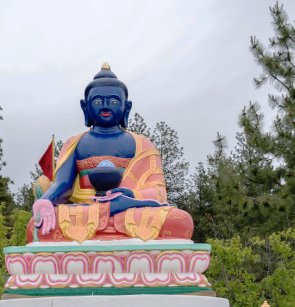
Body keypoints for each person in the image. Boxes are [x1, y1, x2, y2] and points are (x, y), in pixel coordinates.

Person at [29, 64, 194, 243]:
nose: (106, 106)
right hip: (85, 210)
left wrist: (129, 196)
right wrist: (46, 200)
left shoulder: (143, 144)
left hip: (130, 209)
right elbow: (63, 184)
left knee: (180, 221)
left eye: (114, 101)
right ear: (85, 107)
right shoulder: (74, 144)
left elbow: (159, 191)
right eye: (98, 101)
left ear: (126, 107)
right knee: (36, 225)